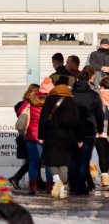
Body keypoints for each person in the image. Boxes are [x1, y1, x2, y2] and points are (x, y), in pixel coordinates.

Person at [39, 78, 83, 198]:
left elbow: (43, 118)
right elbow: (76, 121)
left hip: (51, 135)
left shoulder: (50, 99)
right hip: (68, 137)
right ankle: (62, 189)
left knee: (50, 161)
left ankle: (57, 181)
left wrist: (41, 135)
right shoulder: (70, 101)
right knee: (64, 163)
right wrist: (79, 138)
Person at [69, 66, 104, 195]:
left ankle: (72, 184)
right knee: (84, 159)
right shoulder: (93, 95)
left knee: (73, 158)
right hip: (88, 130)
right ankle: (79, 185)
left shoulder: (71, 94)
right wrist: (100, 129)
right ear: (89, 79)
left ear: (77, 79)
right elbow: (99, 114)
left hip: (72, 130)